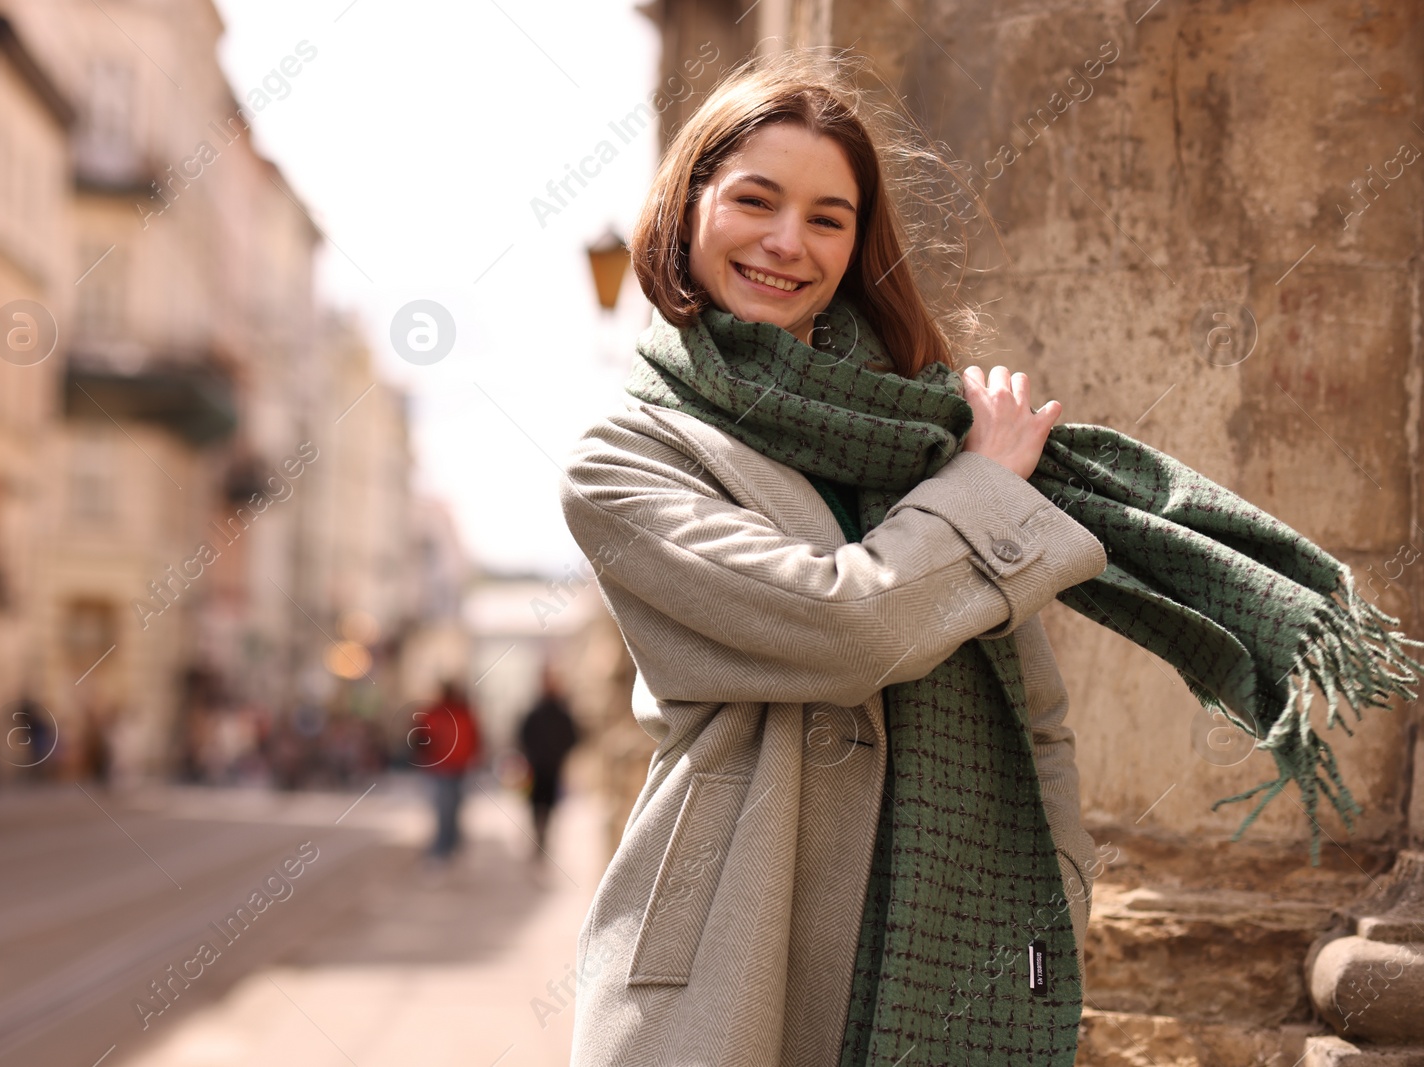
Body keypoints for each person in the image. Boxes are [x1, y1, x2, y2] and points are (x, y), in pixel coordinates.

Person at [556, 51, 1424, 1067]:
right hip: (735, 938)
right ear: (687, 205)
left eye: (828, 218)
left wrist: (1055, 873)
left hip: (950, 928)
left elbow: (1033, 706)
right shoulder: (627, 457)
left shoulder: (912, 425)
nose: (788, 242)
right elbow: (844, 626)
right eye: (756, 200)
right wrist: (983, 489)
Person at [410, 680, 480, 861]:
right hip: (443, 767)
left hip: (455, 767)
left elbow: (474, 739)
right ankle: (446, 844)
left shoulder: (458, 714)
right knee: (446, 807)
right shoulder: (443, 714)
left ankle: (450, 843)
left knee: (451, 806)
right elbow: (422, 737)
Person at [515, 666, 579, 858]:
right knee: (536, 803)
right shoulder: (535, 712)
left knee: (549, 805)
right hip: (536, 766)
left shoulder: (561, 712)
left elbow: (573, 736)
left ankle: (543, 837)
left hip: (553, 766)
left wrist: (559, 753)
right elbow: (523, 735)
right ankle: (538, 835)